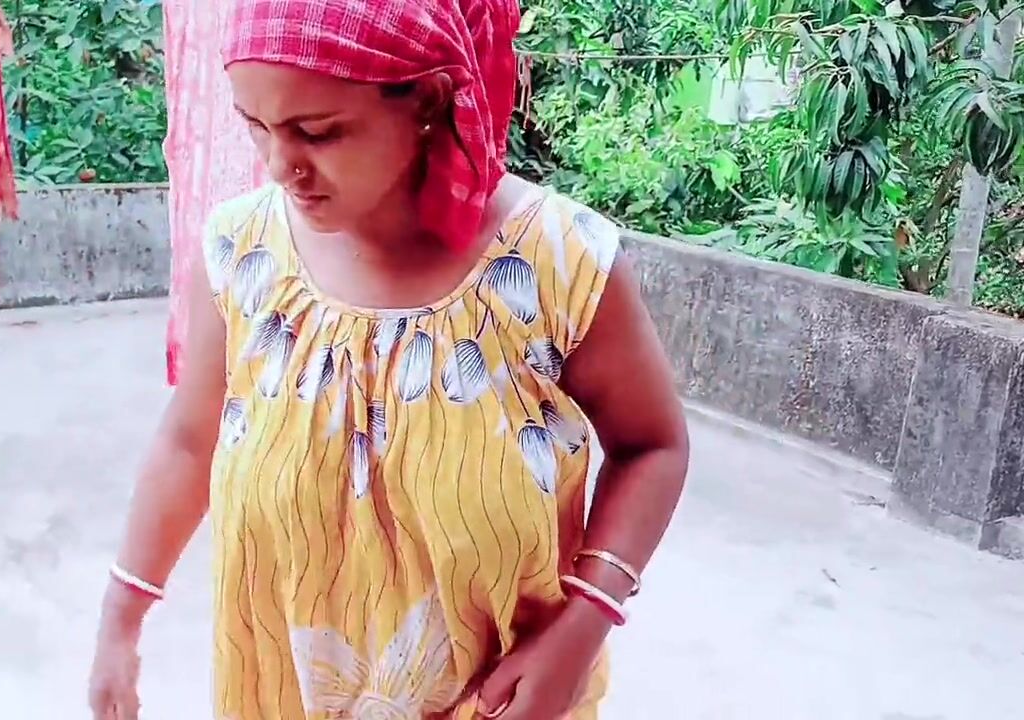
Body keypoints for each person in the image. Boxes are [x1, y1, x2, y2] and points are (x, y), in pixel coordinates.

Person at [89, 1, 689, 718]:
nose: (281, 167)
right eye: (256, 126)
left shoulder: (554, 261)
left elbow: (652, 446)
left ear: (428, 99)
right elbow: (191, 440)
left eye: (318, 131)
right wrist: (121, 621)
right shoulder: (241, 255)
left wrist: (583, 627)